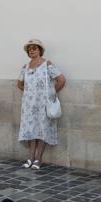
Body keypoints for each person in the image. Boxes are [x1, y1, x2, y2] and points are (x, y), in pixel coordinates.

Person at [16, 39, 66, 170]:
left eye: (34, 48)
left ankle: (39, 159)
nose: (32, 50)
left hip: (43, 104)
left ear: (40, 50)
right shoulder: (25, 67)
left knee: (42, 131)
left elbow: (61, 80)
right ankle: (30, 157)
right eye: (29, 49)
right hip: (29, 105)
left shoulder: (47, 64)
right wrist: (29, 92)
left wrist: (51, 94)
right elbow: (19, 83)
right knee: (31, 131)